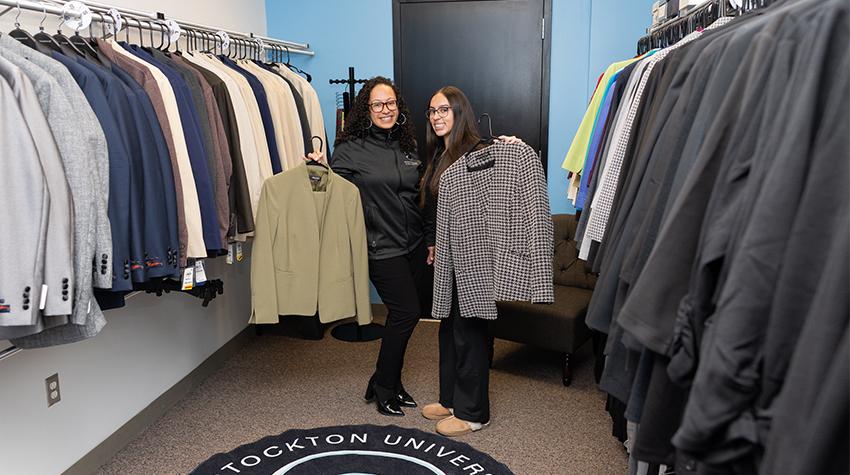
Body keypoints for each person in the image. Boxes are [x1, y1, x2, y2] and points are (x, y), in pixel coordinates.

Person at [309, 77, 427, 417]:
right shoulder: (350, 147)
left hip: (414, 244)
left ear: (398, 107)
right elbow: (329, 192)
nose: (385, 110)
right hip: (378, 245)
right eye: (378, 104)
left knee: (402, 315)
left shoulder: (407, 145)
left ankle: (385, 380)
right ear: (366, 109)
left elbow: (416, 193)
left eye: (391, 103)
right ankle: (385, 388)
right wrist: (317, 170)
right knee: (407, 313)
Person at [417, 86, 522, 437]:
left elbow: (506, 184)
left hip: (473, 259)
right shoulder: (439, 153)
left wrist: (516, 148)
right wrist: (433, 243)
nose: (437, 117)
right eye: (432, 111)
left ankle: (475, 412)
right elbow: (435, 206)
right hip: (446, 257)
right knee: (448, 329)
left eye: (444, 110)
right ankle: (451, 400)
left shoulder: (478, 152)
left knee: (470, 333)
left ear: (460, 113)